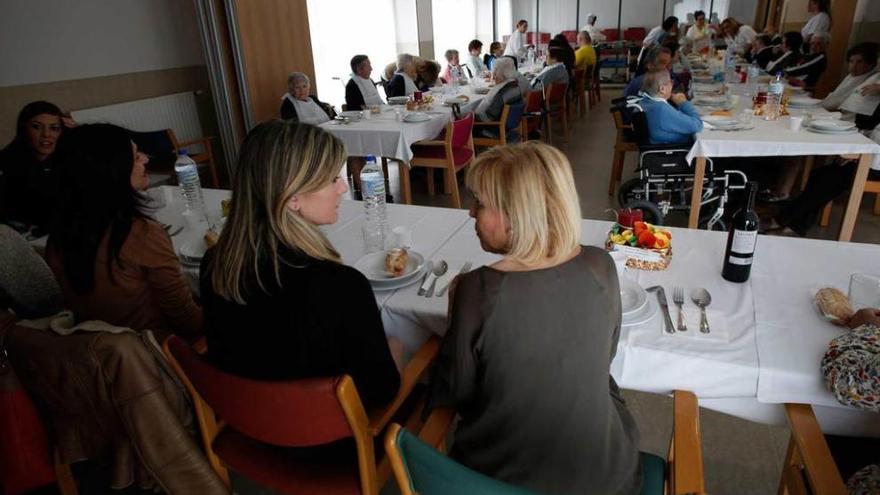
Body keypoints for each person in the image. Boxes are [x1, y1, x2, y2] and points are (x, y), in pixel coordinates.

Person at [427, 142, 641, 494]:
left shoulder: (478, 290)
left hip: (504, 481)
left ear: (517, 214)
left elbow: (456, 391)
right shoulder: (601, 266)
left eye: (480, 203)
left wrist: (456, 316)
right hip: (607, 476)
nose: (471, 213)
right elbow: (606, 354)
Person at [200, 121, 401, 408]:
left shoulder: (215, 265)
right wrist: (398, 349)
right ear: (293, 197)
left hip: (248, 430)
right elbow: (381, 392)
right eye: (333, 178)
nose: (343, 187)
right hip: (334, 446)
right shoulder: (341, 287)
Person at [45, 124, 203, 336]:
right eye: (137, 156)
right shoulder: (141, 233)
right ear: (112, 170)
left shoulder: (58, 236)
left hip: (103, 349)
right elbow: (185, 318)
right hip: (156, 351)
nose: (146, 159)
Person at [766, 124, 880, 236]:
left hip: (875, 167)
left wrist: (858, 154)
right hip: (871, 158)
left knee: (828, 178)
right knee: (819, 174)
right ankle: (795, 225)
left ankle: (784, 218)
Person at [0, 101, 74, 235]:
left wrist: (80, 135)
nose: (46, 134)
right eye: (37, 127)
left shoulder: (69, 160)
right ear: (24, 129)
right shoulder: (6, 162)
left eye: (54, 128)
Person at [638, 70, 703, 144]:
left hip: (660, 144)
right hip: (674, 149)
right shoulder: (661, 109)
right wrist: (683, 103)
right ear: (662, 89)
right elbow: (697, 125)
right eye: (671, 82)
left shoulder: (645, 102)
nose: (672, 84)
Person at [474, 57, 523, 129]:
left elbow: (489, 116)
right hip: (507, 125)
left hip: (493, 128)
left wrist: (471, 116)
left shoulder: (501, 91)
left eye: (495, 71)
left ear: (499, 72)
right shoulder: (515, 85)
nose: (493, 74)